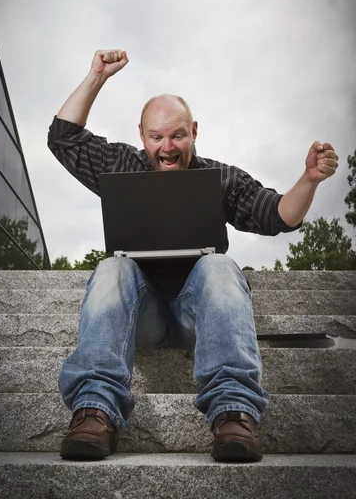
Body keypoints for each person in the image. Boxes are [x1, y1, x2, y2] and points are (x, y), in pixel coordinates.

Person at [47, 49, 339, 462]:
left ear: (194, 131)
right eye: (156, 137)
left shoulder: (220, 177)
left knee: (220, 264)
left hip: (197, 318)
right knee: (113, 266)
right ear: (142, 135)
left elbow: (277, 215)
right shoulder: (122, 167)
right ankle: (94, 409)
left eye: (177, 135)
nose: (167, 147)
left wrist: (308, 181)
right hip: (139, 314)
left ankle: (233, 411)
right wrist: (96, 76)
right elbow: (63, 138)